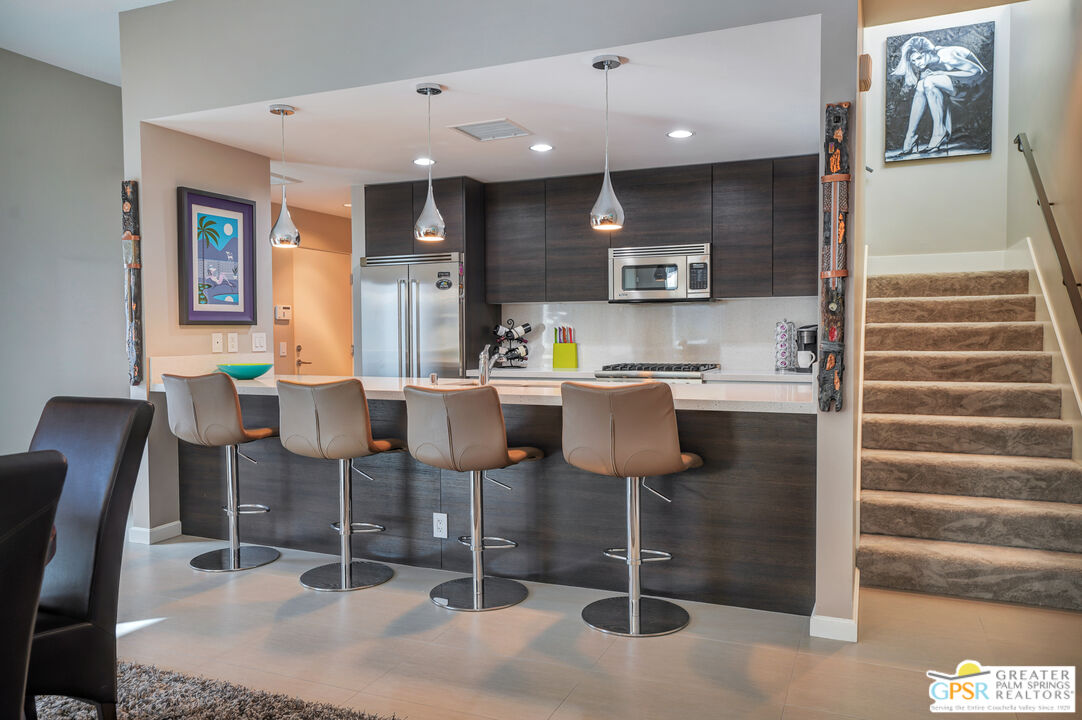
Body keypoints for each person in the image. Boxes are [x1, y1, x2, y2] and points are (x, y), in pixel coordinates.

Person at [891, 35, 987, 154]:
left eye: (919, 58)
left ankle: (939, 132)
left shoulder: (946, 56)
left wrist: (942, 72)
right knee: (921, 85)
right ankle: (910, 137)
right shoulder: (927, 64)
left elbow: (978, 72)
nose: (917, 63)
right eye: (913, 61)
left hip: (977, 83)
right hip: (958, 84)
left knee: (929, 81)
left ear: (927, 52)